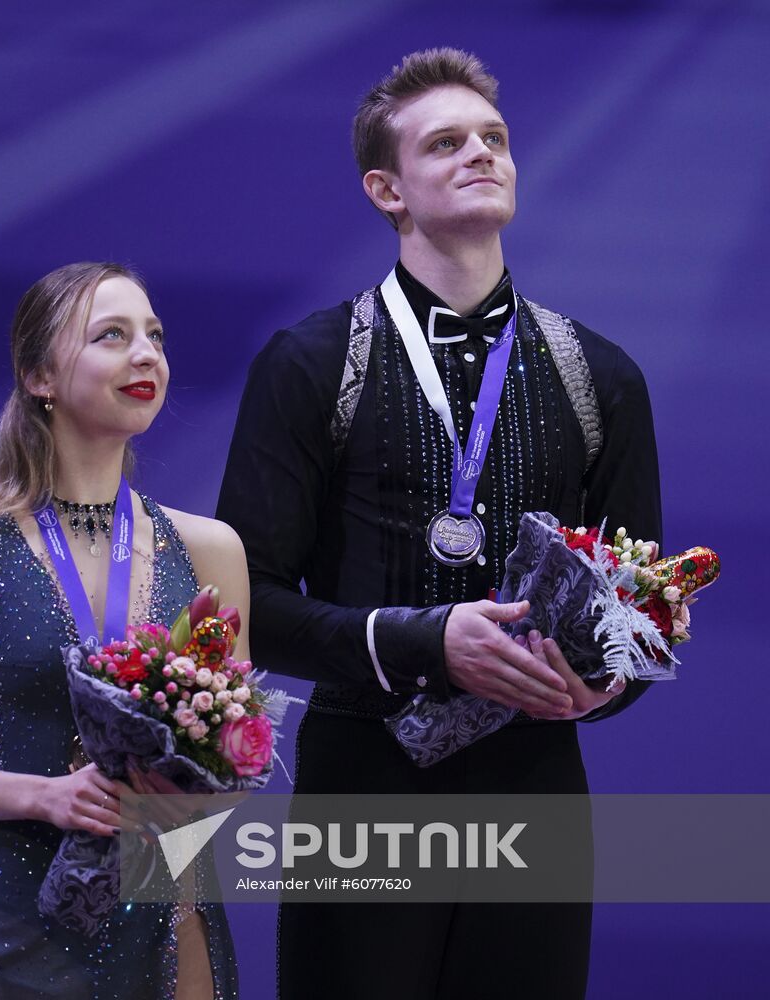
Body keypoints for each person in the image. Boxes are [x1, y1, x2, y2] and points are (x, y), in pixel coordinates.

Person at [216, 49, 661, 999]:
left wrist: (607, 684)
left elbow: (641, 605)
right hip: (365, 781)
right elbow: (240, 600)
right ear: (387, 190)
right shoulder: (309, 362)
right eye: (447, 142)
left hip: (534, 782)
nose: (481, 155)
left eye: (494, 138)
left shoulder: (601, 375)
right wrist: (423, 641)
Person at [0, 262, 249, 1000]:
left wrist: (187, 794)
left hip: (169, 905)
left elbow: (235, 757)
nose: (146, 354)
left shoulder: (210, 548)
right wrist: (42, 796)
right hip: (24, 909)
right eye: (111, 336)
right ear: (38, 376)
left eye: (154, 335)